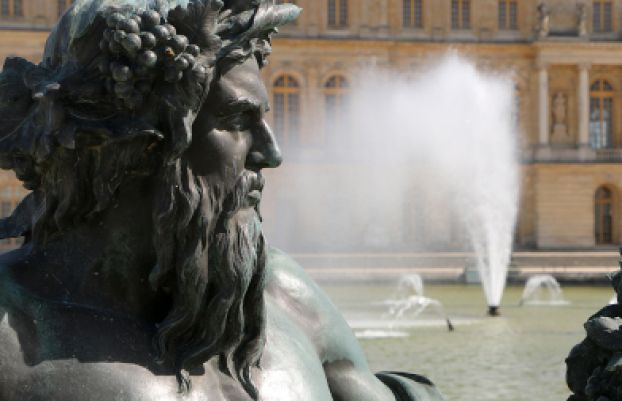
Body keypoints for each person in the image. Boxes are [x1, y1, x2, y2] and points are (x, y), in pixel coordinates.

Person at [0, 0, 443, 400]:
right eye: (237, 119)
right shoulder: (11, 335)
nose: (270, 154)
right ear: (134, 142)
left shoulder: (285, 295)